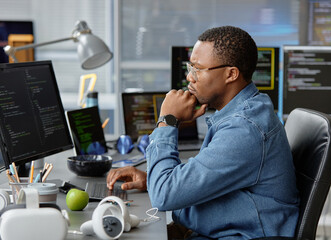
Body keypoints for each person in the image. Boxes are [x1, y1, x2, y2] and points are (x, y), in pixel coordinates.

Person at [107, 26, 299, 240]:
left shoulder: (244, 129)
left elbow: (164, 196)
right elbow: (199, 179)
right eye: (190, 67)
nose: (190, 77)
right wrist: (153, 181)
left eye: (198, 69)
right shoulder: (243, 112)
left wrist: (167, 120)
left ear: (231, 74)